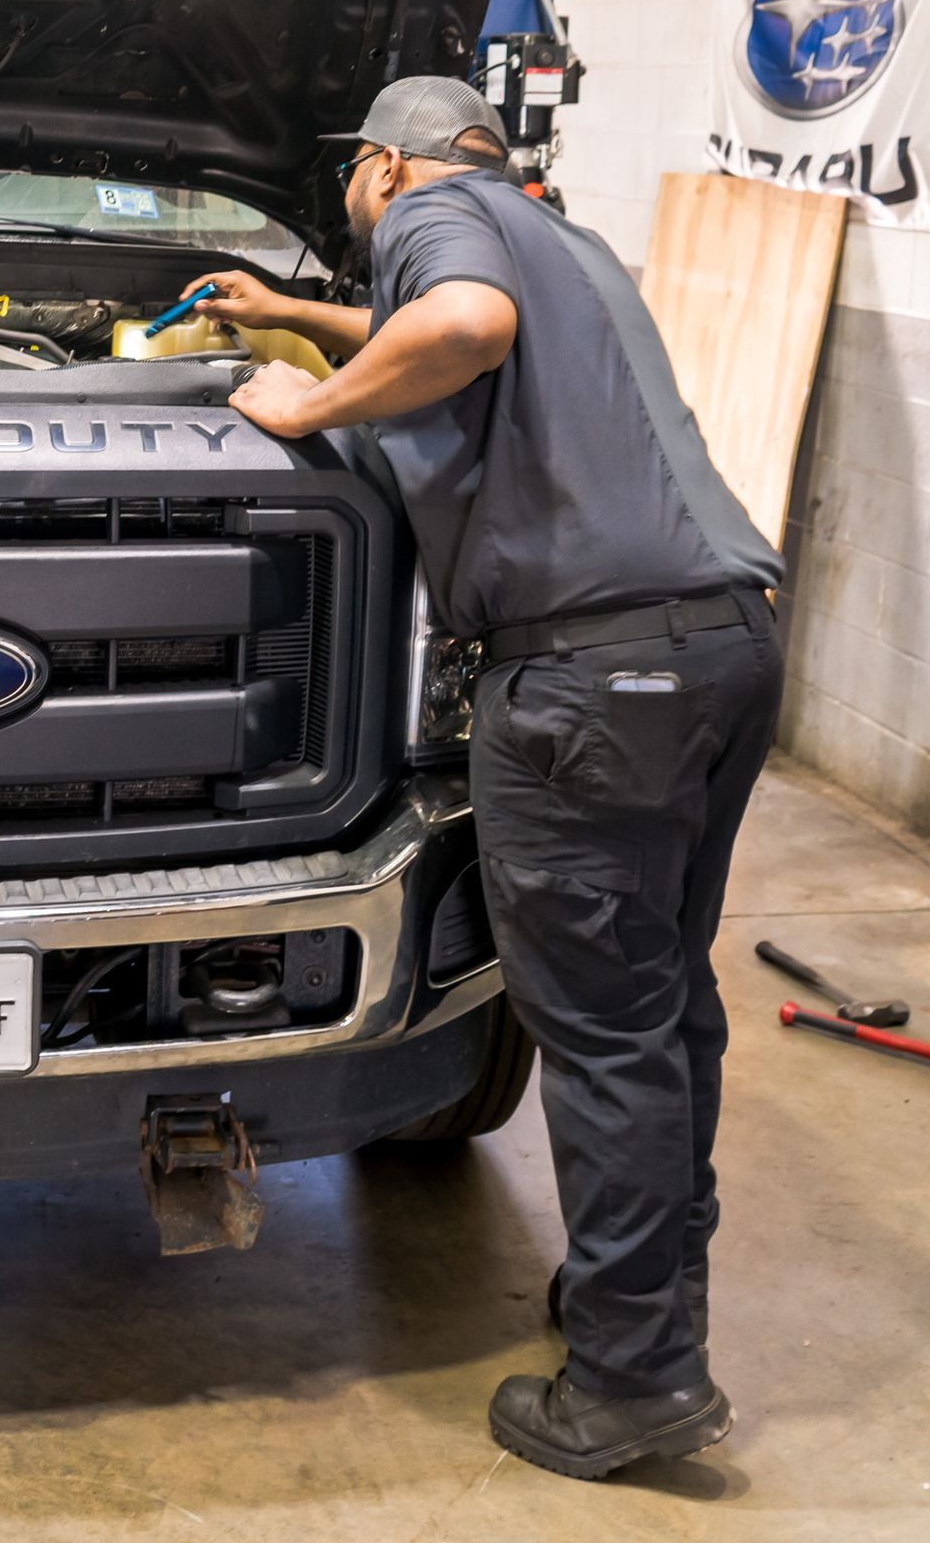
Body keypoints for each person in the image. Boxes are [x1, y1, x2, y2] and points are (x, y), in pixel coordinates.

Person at [187, 75, 785, 1480]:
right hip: (722, 648)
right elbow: (466, 330)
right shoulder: (556, 230)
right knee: (659, 1002)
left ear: (389, 170)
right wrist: (291, 317)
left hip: (592, 681)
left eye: (353, 178)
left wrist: (305, 400)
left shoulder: (431, 224)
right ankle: (636, 1303)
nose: (354, 198)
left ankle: (637, 1380)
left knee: (605, 1029)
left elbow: (456, 328)